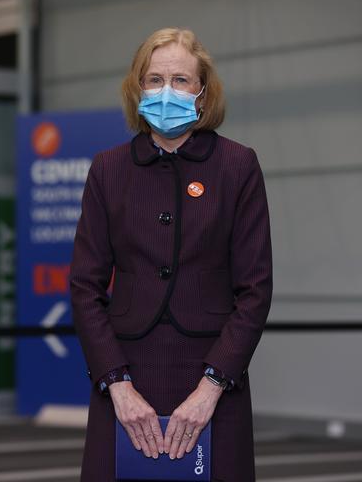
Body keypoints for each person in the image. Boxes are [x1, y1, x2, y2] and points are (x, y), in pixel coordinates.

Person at [69, 27, 273, 481]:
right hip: (123, 380)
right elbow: (84, 287)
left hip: (215, 381)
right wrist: (116, 384)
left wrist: (210, 388)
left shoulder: (238, 166)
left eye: (180, 80)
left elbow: (255, 291)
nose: (166, 90)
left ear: (202, 93)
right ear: (137, 88)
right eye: (154, 78)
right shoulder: (108, 170)